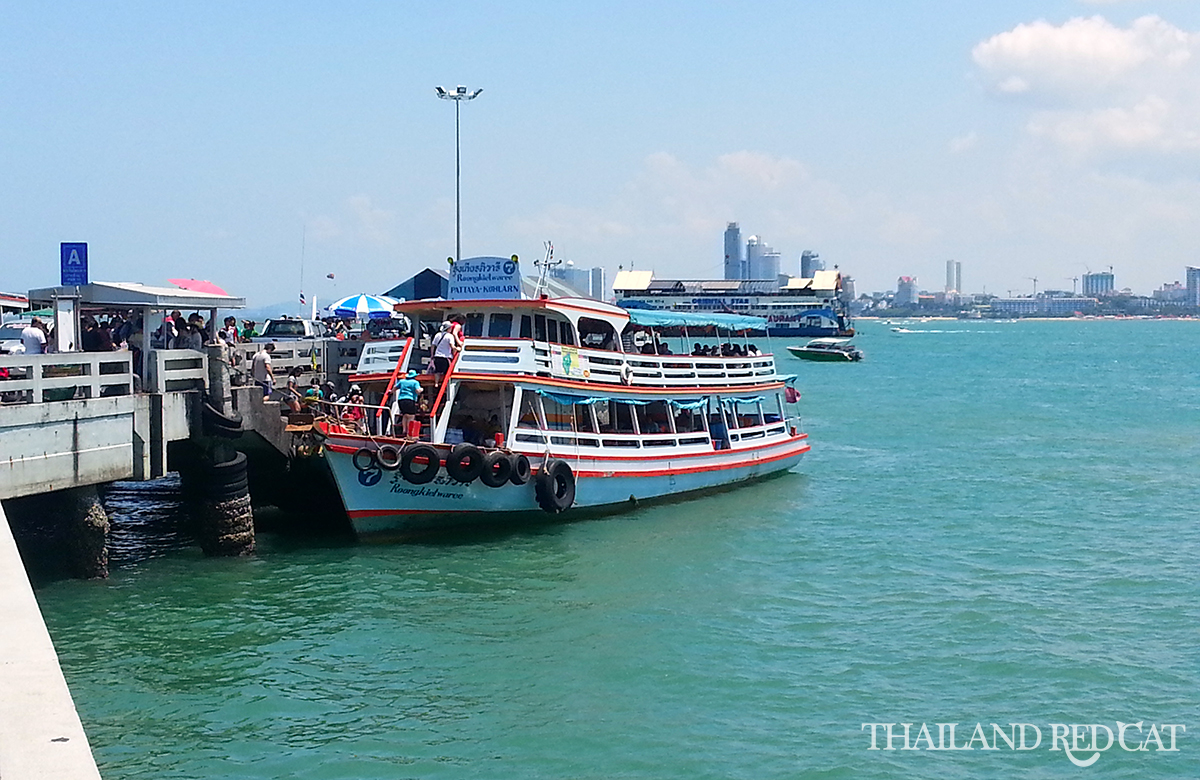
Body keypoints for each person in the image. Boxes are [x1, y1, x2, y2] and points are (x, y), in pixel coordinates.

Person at [390, 369, 424, 437]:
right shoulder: (415, 382)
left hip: (401, 400)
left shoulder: (402, 381)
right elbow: (417, 391)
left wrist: (390, 392)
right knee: (411, 416)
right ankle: (409, 432)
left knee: (405, 415)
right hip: (410, 399)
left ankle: (404, 430)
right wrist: (422, 389)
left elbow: (395, 388)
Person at [428, 320, 462, 386]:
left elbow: (433, 346)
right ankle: (445, 383)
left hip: (437, 356)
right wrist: (457, 348)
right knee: (447, 372)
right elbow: (452, 346)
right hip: (446, 356)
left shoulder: (437, 335)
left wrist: (432, 355)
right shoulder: (450, 336)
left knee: (437, 371)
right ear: (448, 328)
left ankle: (436, 383)